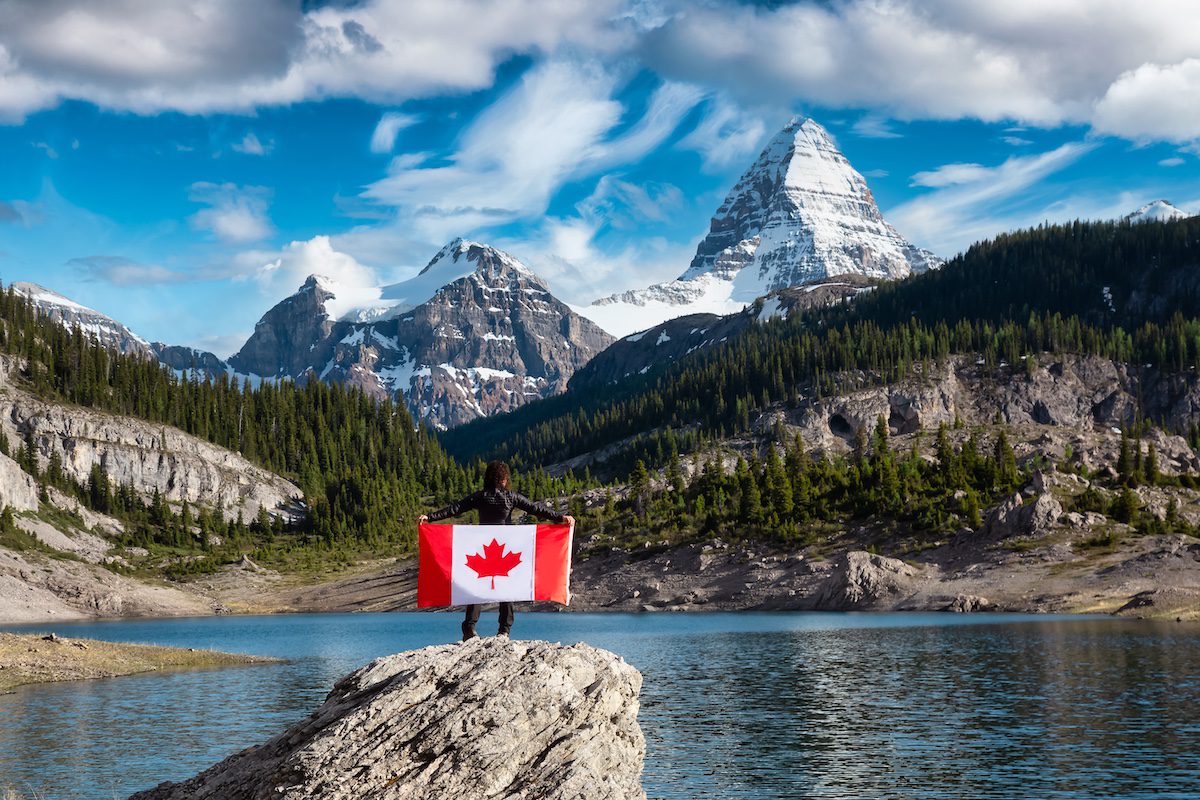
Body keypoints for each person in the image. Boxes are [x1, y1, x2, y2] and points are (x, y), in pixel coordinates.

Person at [420, 460, 574, 641]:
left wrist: (430, 517)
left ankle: (469, 628)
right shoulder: (511, 497)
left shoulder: (480, 496)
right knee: (506, 588)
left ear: (488, 478)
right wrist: (560, 517)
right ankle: (504, 630)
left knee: (476, 587)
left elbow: (455, 509)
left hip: (483, 547)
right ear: (504, 479)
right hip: (504, 547)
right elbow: (535, 509)